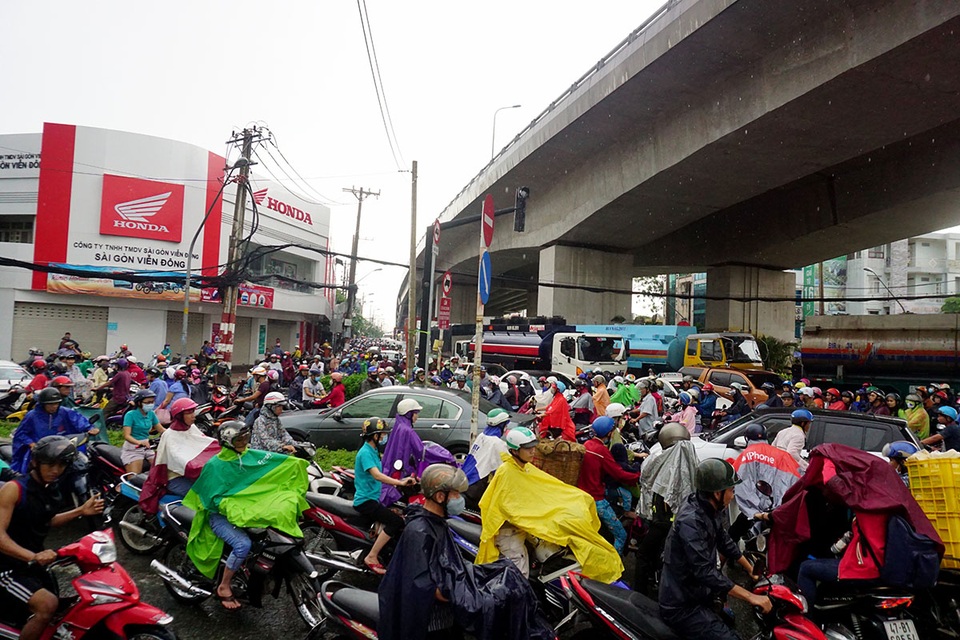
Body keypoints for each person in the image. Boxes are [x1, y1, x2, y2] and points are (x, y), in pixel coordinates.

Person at [379, 463, 553, 640]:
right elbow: (430, 589)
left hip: (440, 608)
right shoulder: (420, 532)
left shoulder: (437, 523)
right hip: (429, 620)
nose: (458, 498)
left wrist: (480, 579)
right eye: (455, 494)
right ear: (440, 496)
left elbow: (448, 566)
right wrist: (478, 594)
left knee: (508, 575)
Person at [183, 421, 308, 610]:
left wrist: (296, 460)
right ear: (227, 441)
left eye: (246, 438)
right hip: (219, 517)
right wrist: (232, 506)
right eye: (238, 439)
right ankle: (223, 586)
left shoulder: (249, 456)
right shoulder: (215, 465)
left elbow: (273, 461)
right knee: (243, 545)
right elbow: (209, 499)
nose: (243, 442)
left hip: (241, 511)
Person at [478, 426, 623, 583]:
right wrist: (541, 519)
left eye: (533, 447)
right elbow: (510, 507)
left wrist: (576, 499)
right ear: (515, 451)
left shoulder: (525, 468)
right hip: (509, 532)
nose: (533, 451)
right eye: (528, 449)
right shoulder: (506, 472)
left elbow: (547, 490)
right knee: (519, 578)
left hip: (525, 528)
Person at [0, 436, 105, 640]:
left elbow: (46, 520)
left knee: (63, 606)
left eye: (61, 465)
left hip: (32, 563)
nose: (55, 470)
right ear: (35, 462)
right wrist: (32, 556)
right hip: (6, 567)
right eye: (49, 464)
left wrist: (81, 510)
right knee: (47, 605)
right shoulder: (15, 489)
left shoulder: (51, 489)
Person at [659, 459, 771, 639]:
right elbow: (705, 572)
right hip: (682, 605)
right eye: (731, 491)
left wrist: (750, 569)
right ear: (718, 493)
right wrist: (751, 597)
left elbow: (724, 540)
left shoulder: (708, 506)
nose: (733, 496)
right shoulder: (691, 521)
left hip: (698, 592)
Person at [353, 417, 416, 575]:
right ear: (374, 436)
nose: (383, 437)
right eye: (381, 434)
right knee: (395, 521)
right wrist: (399, 483)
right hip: (365, 501)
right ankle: (372, 556)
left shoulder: (373, 451)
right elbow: (377, 475)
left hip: (373, 498)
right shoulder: (365, 453)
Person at [139, 398, 220, 513]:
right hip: (175, 478)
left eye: (193, 411)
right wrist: (200, 466)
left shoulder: (191, 428)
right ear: (179, 415)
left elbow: (205, 443)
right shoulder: (169, 435)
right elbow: (181, 461)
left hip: (191, 475)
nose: (193, 416)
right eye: (189, 413)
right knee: (203, 497)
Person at [577, 416, 640, 554]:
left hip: (582, 495)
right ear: (609, 433)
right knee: (621, 535)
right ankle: (614, 567)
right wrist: (638, 476)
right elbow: (618, 474)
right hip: (597, 500)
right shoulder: (602, 451)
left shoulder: (587, 445)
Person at [10, 388, 98, 475]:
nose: (54, 407)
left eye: (56, 404)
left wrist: (90, 428)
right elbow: (21, 434)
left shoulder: (64, 412)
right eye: (50, 404)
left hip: (61, 447)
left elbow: (78, 420)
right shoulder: (32, 416)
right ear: (43, 404)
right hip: (40, 450)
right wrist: (31, 444)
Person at [380, 399, 426, 505]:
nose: (417, 417)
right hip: (402, 471)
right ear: (409, 414)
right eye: (416, 413)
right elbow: (420, 451)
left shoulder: (399, 426)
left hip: (392, 468)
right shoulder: (408, 431)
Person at [462, 409, 511, 507]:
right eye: (506, 424)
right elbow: (507, 466)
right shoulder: (497, 443)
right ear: (502, 425)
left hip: (466, 480)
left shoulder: (482, 436)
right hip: (476, 486)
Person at [121, 389, 164, 474]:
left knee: (160, 472)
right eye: (148, 402)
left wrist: (175, 434)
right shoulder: (130, 415)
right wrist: (138, 443)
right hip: (133, 448)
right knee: (135, 479)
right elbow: (127, 435)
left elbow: (161, 429)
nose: (151, 404)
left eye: (152, 402)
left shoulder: (151, 414)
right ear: (139, 403)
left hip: (147, 447)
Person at [772, 408, 813, 473]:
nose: (809, 426)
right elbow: (791, 453)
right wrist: (806, 466)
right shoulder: (799, 435)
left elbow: (772, 448)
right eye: (808, 423)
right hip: (786, 469)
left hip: (775, 465)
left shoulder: (783, 431)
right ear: (803, 423)